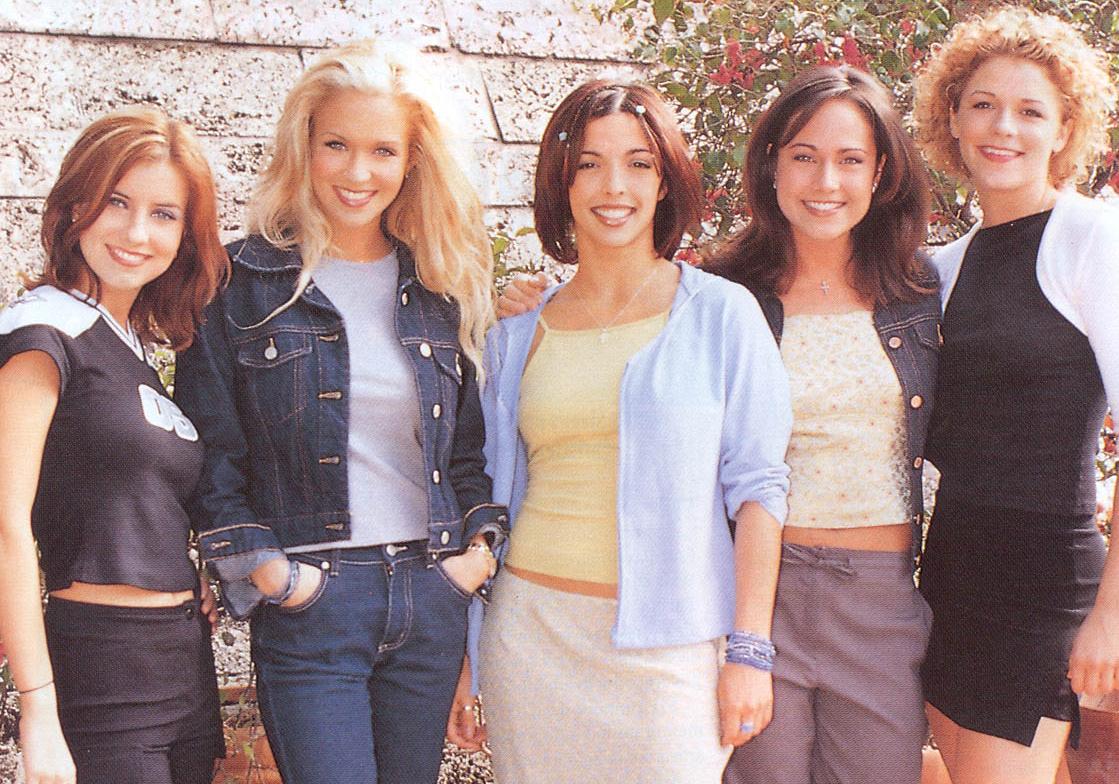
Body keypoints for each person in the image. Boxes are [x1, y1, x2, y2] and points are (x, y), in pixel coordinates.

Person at [173, 40, 508, 784]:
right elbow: (211, 457)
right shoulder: (237, 282)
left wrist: (474, 561)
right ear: (305, 145)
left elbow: (467, 455)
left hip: (430, 593)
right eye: (337, 145)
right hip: (312, 603)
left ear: (412, 162)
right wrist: (274, 576)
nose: (359, 173)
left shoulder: (440, 285)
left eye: (383, 150)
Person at [472, 80, 792, 784]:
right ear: (561, 182)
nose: (613, 186)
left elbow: (759, 489)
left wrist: (749, 652)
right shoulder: (515, 332)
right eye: (588, 164)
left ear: (665, 179)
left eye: (638, 163)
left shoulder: (722, 314)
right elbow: (483, 499)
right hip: (530, 637)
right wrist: (469, 653)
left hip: (671, 654)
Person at [703, 65, 939, 784]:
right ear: (771, 165)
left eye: (850, 159)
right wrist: (534, 301)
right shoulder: (720, 296)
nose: (825, 181)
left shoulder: (922, 291)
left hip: (879, 601)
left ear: (881, 173)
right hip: (754, 594)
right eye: (803, 156)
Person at [913, 7, 1119, 783]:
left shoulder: (1091, 240)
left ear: (1064, 128)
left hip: (1042, 591)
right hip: (949, 581)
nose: (1004, 127)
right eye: (983, 105)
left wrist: (1110, 615)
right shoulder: (937, 270)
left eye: (1030, 111)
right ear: (952, 120)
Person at [0, 106, 228, 784]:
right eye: (117, 202)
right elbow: (5, 525)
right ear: (77, 206)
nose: (136, 233)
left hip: (182, 665)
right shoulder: (42, 334)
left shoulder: (132, 346)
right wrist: (38, 710)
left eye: (164, 214)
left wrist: (189, 571)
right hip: (101, 672)